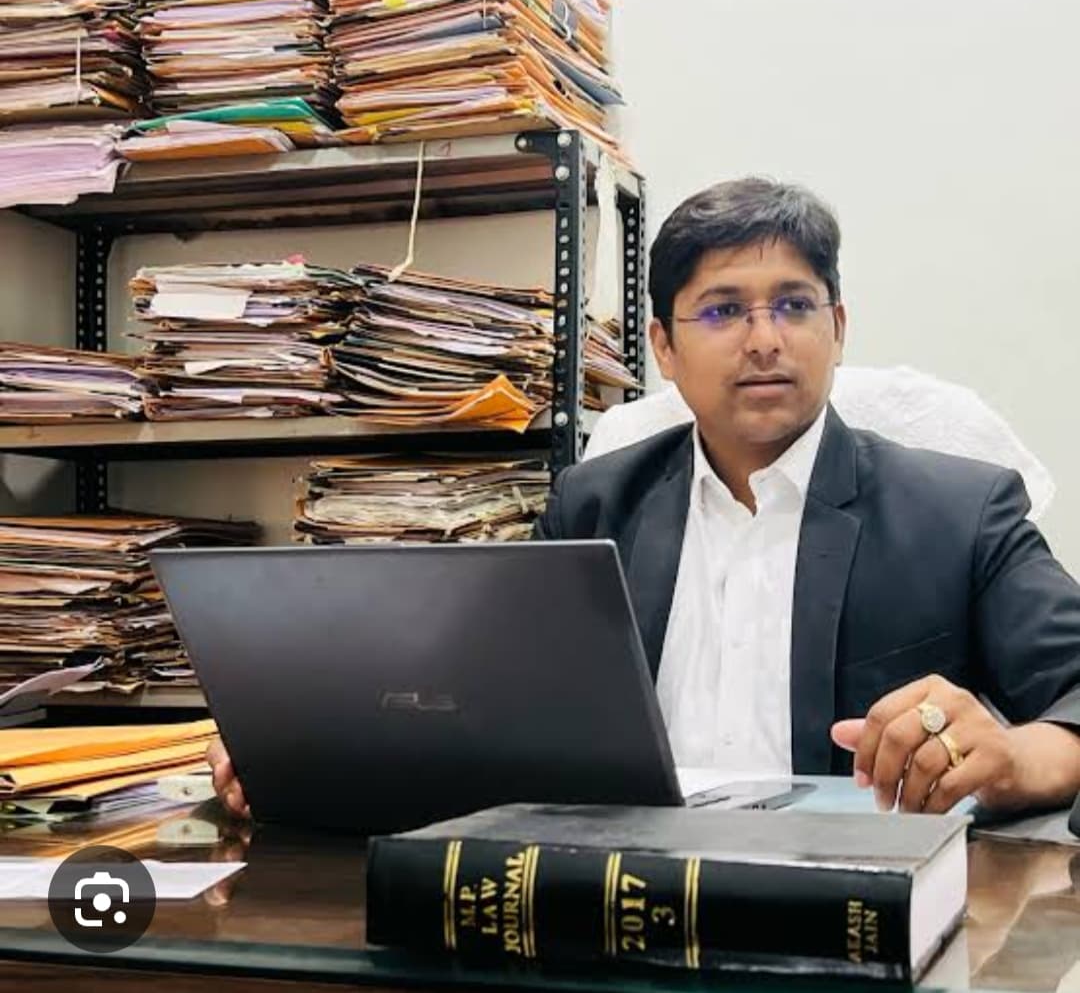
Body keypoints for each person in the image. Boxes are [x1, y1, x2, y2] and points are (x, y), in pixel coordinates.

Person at [210, 178, 1080, 819]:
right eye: (723, 311)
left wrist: (1007, 760)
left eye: (795, 306)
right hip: (626, 897)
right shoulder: (594, 507)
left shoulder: (960, 510)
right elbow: (474, 700)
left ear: (838, 329)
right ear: (662, 347)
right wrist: (309, 749)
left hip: (852, 906)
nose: (766, 340)